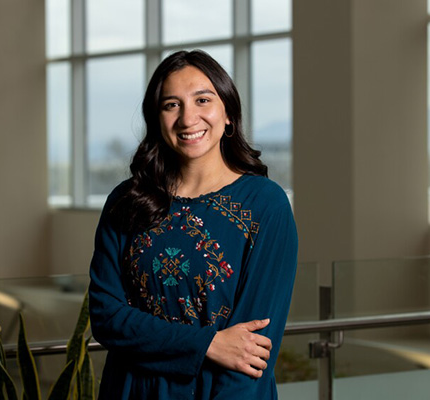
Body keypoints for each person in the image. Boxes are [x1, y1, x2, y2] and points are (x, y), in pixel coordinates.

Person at [89, 50, 298, 400]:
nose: (188, 118)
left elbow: (252, 354)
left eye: (203, 99)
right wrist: (209, 344)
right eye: (171, 105)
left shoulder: (265, 204)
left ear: (228, 113)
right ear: (156, 118)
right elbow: (106, 317)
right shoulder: (127, 201)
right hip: (130, 390)